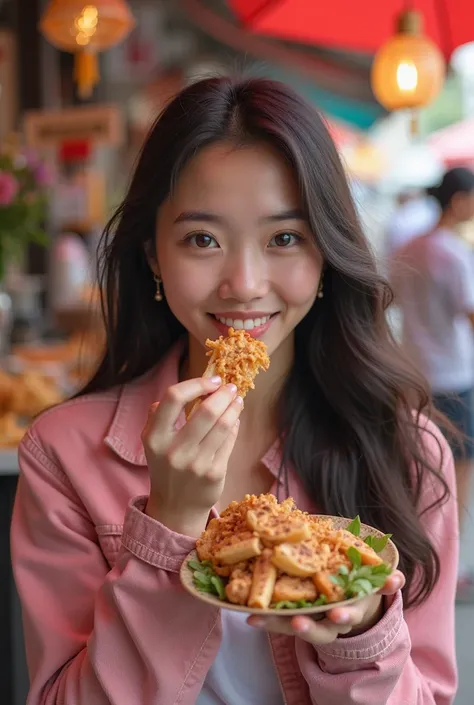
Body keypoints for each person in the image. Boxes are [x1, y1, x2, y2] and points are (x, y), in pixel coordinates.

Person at [11, 77, 458, 705]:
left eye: (284, 238)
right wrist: (170, 523)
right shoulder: (64, 455)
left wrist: (358, 631)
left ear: (326, 254)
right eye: (202, 239)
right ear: (153, 256)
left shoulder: (406, 450)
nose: (244, 284)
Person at [390, 167, 474, 601]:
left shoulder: (409, 247)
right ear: (459, 201)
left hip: (414, 372)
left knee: (417, 471)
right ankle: (451, 565)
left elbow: (390, 304)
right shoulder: (454, 253)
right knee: (458, 472)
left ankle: (416, 554)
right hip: (455, 377)